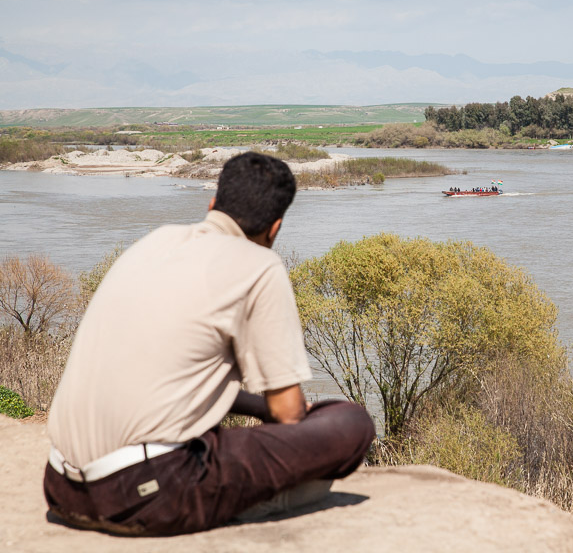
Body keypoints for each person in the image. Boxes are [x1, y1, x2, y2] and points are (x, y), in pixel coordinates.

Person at [44, 152, 375, 536]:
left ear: (213, 204)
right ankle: (266, 503)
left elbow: (170, 377)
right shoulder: (259, 266)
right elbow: (288, 415)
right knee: (350, 422)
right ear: (276, 228)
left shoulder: (156, 241)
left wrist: (259, 407)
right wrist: (287, 409)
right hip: (145, 496)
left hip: (61, 486)